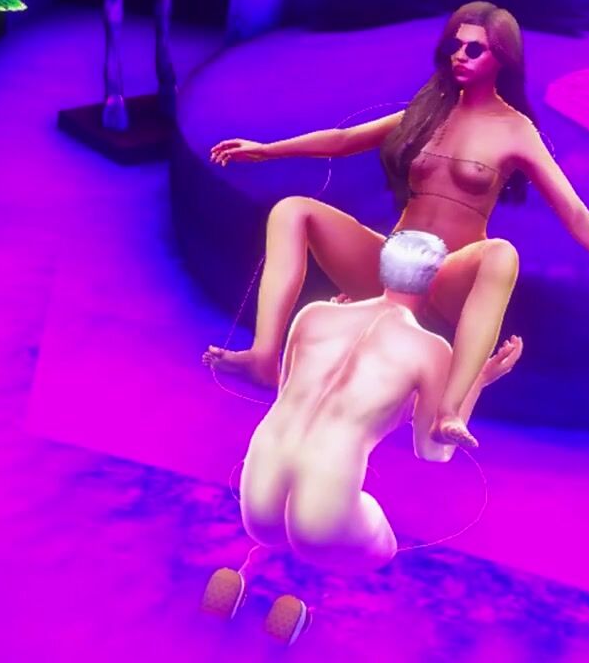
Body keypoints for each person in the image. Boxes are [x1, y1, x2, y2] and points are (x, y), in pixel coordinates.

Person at [202, 1, 589, 449]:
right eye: (455, 45)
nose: (460, 56)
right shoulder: (429, 110)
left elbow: (572, 209)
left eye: (474, 49)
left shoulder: (516, 130)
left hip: (447, 279)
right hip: (391, 266)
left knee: (502, 254)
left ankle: (449, 411)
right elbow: (344, 140)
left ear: (502, 57)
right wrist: (267, 149)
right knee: (291, 210)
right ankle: (265, 357)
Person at [202, 231, 521, 635]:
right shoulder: (432, 350)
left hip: (258, 490)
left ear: (382, 268)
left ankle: (247, 569)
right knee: (380, 544)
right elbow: (433, 450)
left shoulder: (314, 314)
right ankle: (306, 602)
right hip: (324, 509)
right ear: (434, 282)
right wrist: (479, 379)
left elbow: (287, 392)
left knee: (283, 527)